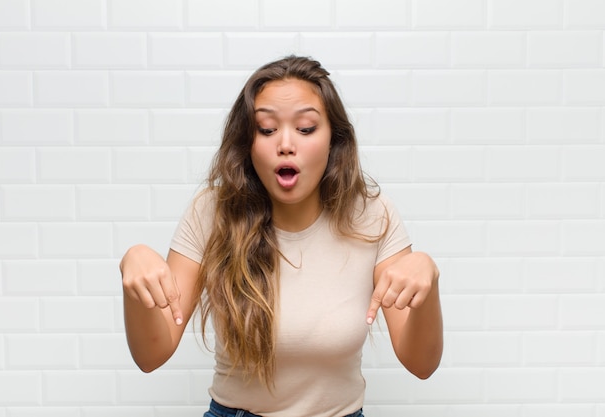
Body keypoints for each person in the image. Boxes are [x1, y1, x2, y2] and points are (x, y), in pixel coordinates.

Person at [119, 55, 443, 417]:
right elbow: (151, 355)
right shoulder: (212, 210)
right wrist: (134, 278)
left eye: (305, 129)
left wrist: (428, 282)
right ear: (247, 143)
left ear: (333, 141)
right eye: (267, 129)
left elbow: (422, 364)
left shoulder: (372, 214)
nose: (286, 144)